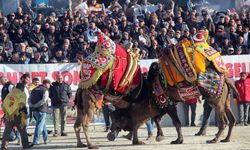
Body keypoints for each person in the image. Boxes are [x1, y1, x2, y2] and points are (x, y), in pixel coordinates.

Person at [1, 73, 33, 150]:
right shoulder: (21, 95)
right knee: (23, 131)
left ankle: (3, 147)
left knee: (7, 132)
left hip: (9, 115)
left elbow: (4, 104)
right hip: (18, 116)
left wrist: (6, 113)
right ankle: (25, 145)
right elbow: (23, 106)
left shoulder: (10, 95)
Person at [29, 79, 51, 145]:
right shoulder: (45, 90)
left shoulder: (33, 89)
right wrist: (35, 105)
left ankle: (46, 139)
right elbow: (44, 100)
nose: (49, 86)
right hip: (42, 110)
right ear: (46, 84)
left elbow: (29, 99)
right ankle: (36, 140)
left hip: (35, 110)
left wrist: (32, 106)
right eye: (49, 84)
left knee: (42, 124)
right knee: (39, 125)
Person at [0, 76, 19, 142]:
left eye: (1, 81)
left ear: (5, 80)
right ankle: (13, 136)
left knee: (9, 122)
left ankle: (13, 136)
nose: (1, 83)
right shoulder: (5, 86)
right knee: (10, 122)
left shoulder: (10, 86)